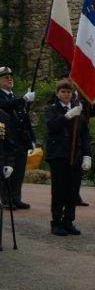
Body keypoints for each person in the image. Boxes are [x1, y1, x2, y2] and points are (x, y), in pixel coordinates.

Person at [44, 80, 91, 236]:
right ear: (57, 94)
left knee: (73, 190)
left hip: (75, 155)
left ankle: (68, 220)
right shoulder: (51, 109)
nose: (66, 94)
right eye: (63, 92)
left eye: (68, 92)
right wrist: (67, 116)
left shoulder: (78, 110)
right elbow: (52, 126)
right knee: (59, 190)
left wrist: (87, 154)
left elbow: (84, 135)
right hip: (59, 155)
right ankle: (56, 222)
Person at [0, 66, 35, 210]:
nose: (9, 79)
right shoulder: (4, 97)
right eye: (5, 77)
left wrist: (32, 138)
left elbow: (25, 120)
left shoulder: (14, 97)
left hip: (21, 140)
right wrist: (24, 99)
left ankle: (16, 198)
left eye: (10, 76)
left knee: (19, 171)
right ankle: (6, 199)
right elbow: (5, 106)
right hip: (8, 140)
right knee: (8, 170)